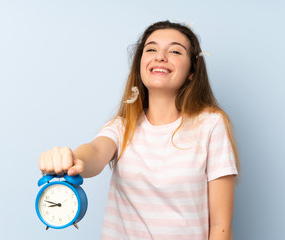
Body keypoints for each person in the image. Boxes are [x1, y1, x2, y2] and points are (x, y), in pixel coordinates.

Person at [39, 20, 240, 240]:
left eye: (175, 51)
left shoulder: (211, 125)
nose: (160, 56)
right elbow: (95, 153)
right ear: (141, 64)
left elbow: (221, 225)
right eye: (151, 49)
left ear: (192, 71)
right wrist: (72, 159)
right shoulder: (122, 127)